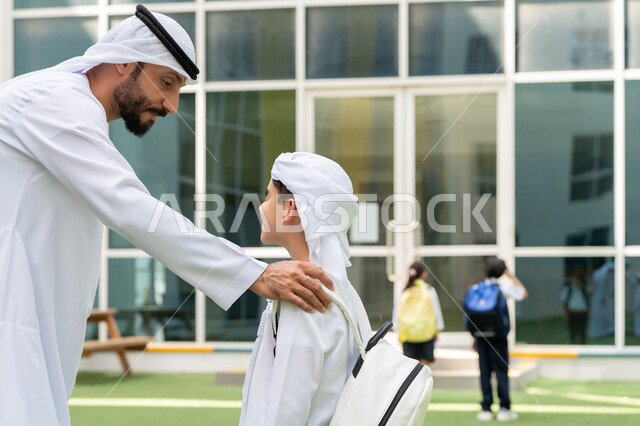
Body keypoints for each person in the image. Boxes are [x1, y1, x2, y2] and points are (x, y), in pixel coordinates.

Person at [0, 7, 333, 425]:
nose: (172, 105)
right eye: (168, 82)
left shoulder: (73, 110)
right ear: (123, 60)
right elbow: (132, 207)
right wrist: (256, 274)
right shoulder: (54, 102)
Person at [240, 152, 372, 426]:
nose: (261, 206)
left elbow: (285, 413)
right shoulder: (344, 290)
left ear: (289, 208)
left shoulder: (303, 295)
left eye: (267, 196)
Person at [473, 257, 527, 422]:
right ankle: (504, 408)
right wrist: (510, 276)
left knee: (485, 372)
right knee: (502, 372)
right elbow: (523, 294)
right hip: (498, 337)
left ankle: (486, 409)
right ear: (503, 271)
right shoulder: (503, 288)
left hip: (481, 337)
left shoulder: (477, 288)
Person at [397, 261, 444, 366]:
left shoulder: (404, 291)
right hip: (426, 332)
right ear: (424, 274)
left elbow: (397, 313)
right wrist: (437, 330)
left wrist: (398, 332)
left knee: (410, 366)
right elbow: (436, 312)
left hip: (408, 333)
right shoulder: (429, 290)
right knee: (426, 365)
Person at [559, 272, 590, 345]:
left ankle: (583, 346)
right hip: (572, 313)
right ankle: (573, 346)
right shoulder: (568, 289)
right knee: (573, 332)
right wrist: (566, 314)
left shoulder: (585, 288)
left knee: (582, 332)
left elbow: (589, 299)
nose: (576, 281)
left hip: (582, 313)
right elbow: (564, 302)